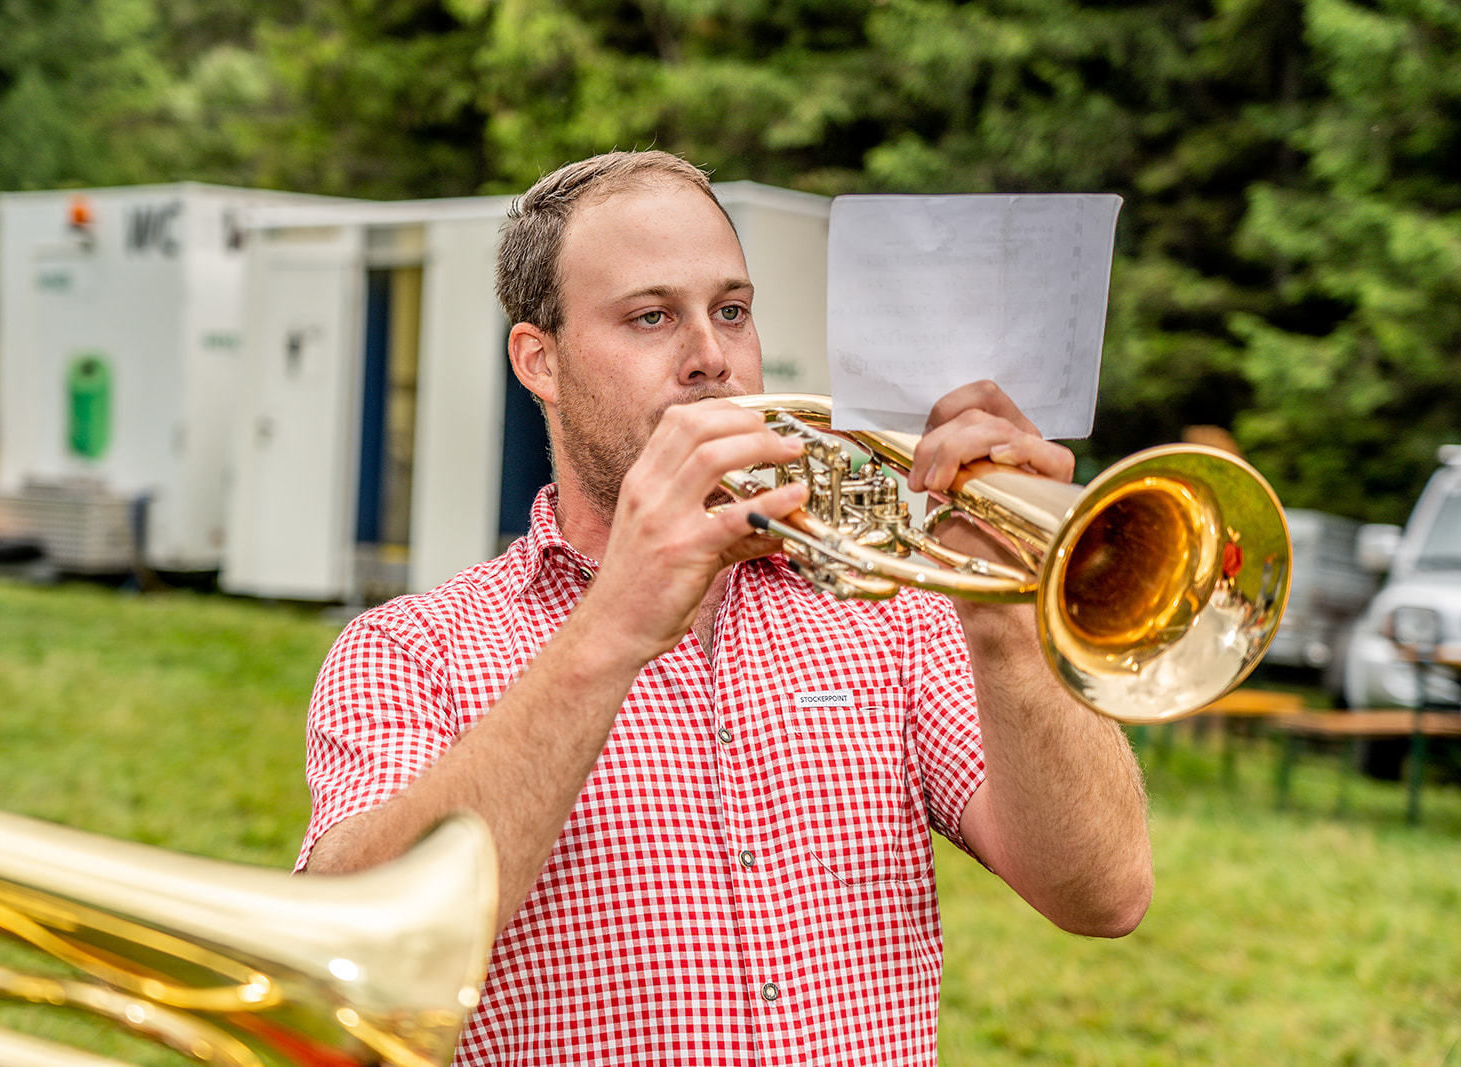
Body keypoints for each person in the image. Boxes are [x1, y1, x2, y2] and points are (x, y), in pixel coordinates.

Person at [297, 151, 1153, 1065]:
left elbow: (1103, 893)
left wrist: (1005, 622)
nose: (712, 358)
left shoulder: (894, 613)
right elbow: (352, 947)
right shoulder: (410, 649)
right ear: (538, 360)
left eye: (732, 312)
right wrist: (614, 625)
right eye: (652, 316)